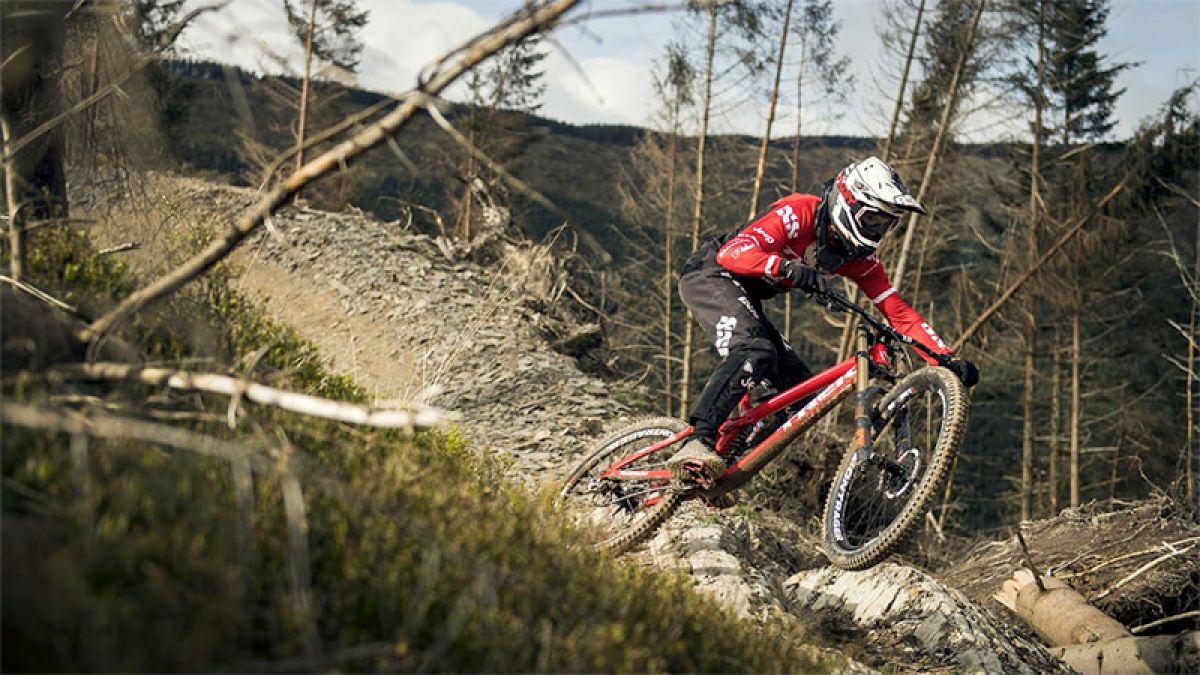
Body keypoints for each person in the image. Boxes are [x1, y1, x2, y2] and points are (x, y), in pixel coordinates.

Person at [669, 156, 979, 488]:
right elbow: (732, 253)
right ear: (848, 202)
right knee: (754, 351)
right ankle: (697, 440)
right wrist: (783, 267)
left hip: (746, 292)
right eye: (872, 219)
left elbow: (899, 313)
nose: (877, 230)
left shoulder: (859, 260)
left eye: (885, 224)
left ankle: (721, 465)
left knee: (800, 393)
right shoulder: (799, 211)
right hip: (711, 274)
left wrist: (945, 358)